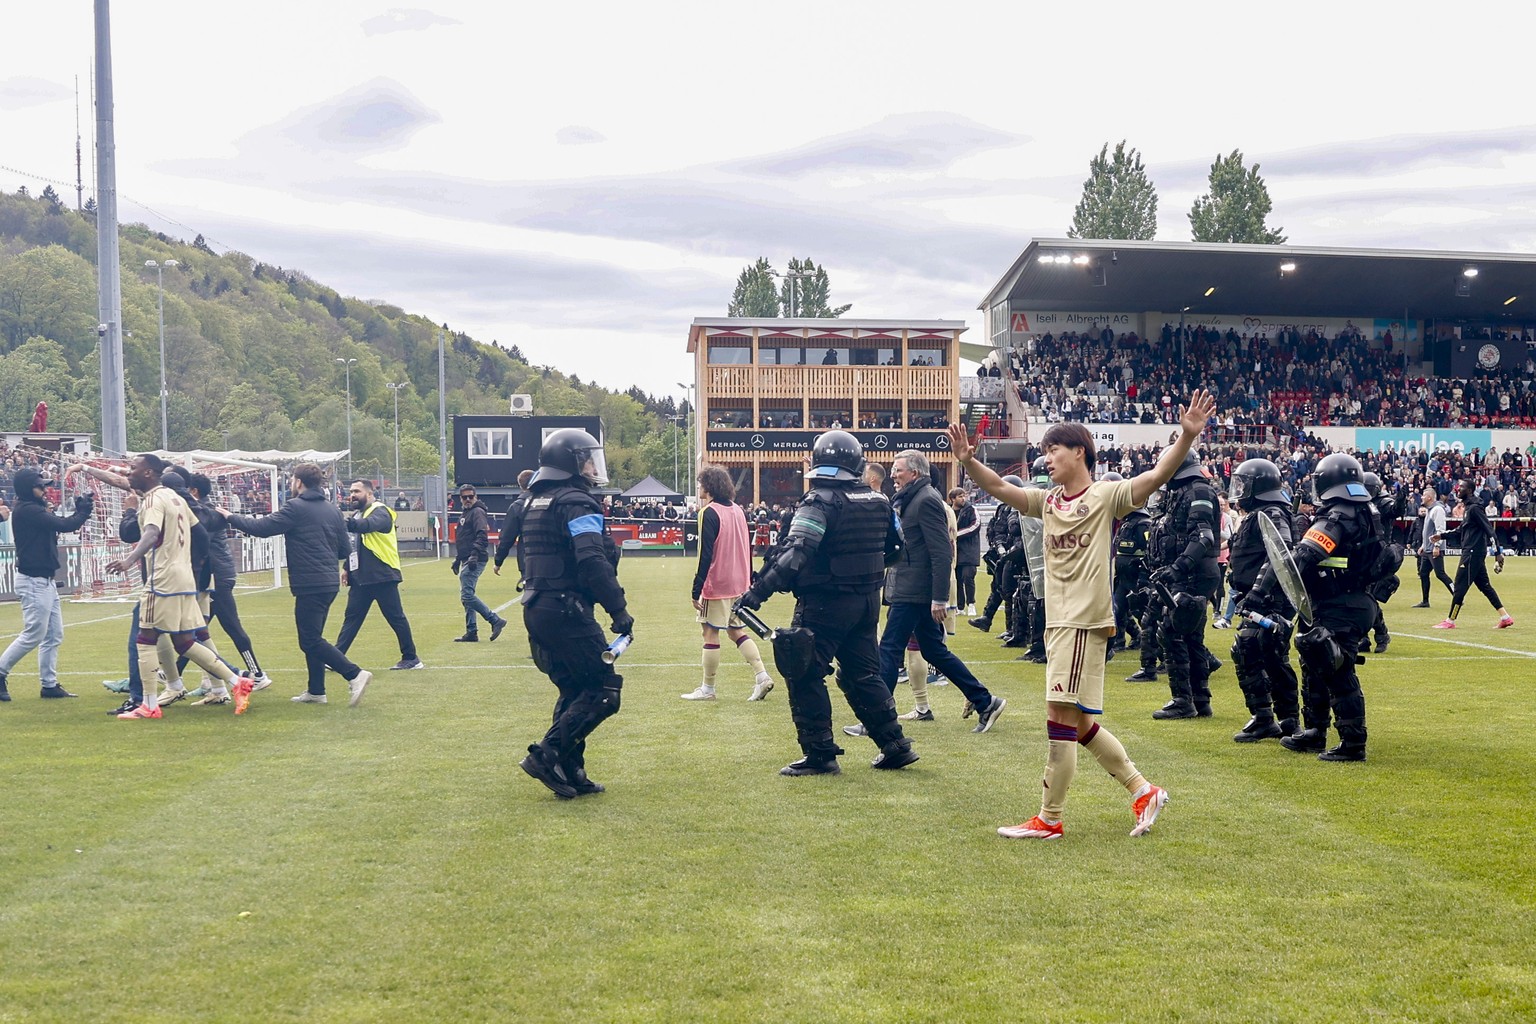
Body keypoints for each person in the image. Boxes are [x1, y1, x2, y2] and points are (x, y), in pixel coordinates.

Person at [947, 387, 1215, 840]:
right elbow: (998, 487)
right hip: (1059, 624)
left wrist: (1186, 437)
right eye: (1045, 451)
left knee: (1057, 717)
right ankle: (1143, 790)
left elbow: (1154, 477)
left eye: (1053, 450)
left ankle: (1050, 819)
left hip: (1083, 623)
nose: (1046, 458)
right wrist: (969, 461)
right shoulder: (1048, 502)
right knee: (1080, 723)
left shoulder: (1107, 495)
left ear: (1079, 452)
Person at [735, 430, 917, 777]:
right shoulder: (879, 500)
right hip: (865, 601)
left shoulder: (819, 500)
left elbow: (795, 553)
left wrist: (757, 594)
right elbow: (897, 548)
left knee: (804, 672)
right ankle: (895, 744)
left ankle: (820, 754)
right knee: (863, 674)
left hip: (825, 602)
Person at [1245, 453, 1395, 761]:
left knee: (1338, 671)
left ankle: (1353, 743)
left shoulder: (1338, 515)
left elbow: (1301, 556)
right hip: (1345, 600)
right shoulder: (1366, 508)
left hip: (1340, 602)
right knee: (1315, 663)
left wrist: (1260, 593)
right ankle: (1315, 732)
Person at [517, 429, 632, 799]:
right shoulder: (575, 502)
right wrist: (618, 609)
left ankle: (571, 769)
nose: (591, 466)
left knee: (573, 689)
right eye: (586, 458)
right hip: (566, 608)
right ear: (570, 462)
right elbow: (591, 560)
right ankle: (546, 755)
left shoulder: (535, 501)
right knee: (602, 690)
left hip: (538, 607)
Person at [105, 456, 255, 718]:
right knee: (185, 642)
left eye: (134, 469)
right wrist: (194, 564)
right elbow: (200, 534)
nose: (129, 473)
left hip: (162, 580)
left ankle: (149, 705)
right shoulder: (176, 499)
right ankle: (236, 681)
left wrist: (130, 560)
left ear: (149, 473)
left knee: (145, 638)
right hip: (185, 579)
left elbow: (151, 533)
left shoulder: (153, 499)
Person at [868, 449, 1004, 731]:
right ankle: (985, 701)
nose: (893, 474)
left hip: (916, 591)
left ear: (915, 473)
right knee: (933, 651)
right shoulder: (912, 498)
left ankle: (876, 719)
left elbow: (942, 553)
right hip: (912, 587)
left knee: (890, 648)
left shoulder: (926, 500)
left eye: (898, 469)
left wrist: (940, 598)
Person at [221, 462, 373, 707]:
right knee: (313, 636)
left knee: (310, 640)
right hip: (328, 582)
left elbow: (262, 528)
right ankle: (316, 691)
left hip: (309, 583)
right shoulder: (332, 510)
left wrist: (230, 516)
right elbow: (345, 549)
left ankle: (354, 674)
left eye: (292, 480)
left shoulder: (295, 507)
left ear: (298, 482)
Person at [682, 465, 775, 702]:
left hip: (718, 582)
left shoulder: (708, 512)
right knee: (736, 631)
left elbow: (706, 553)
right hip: (739, 582)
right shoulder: (738, 510)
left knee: (710, 631)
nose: (699, 487)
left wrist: (697, 588)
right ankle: (762, 676)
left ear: (709, 486)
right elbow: (746, 547)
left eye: (701, 483)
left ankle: (708, 688)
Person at [0, 466, 93, 701]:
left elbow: (60, 524)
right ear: (27, 489)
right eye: (40, 486)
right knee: (34, 633)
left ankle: (49, 684)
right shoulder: (28, 510)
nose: (44, 490)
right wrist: (82, 513)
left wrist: (79, 512)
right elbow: (65, 525)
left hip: (44, 580)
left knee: (53, 635)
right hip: (34, 580)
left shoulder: (32, 508)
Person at [1225, 458, 1301, 743]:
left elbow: (1280, 554)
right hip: (1256, 597)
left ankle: (1285, 719)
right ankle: (1267, 717)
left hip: (1271, 599)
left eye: (1244, 483)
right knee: (1251, 652)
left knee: (1267, 653)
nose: (1239, 489)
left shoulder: (1273, 513)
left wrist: (1258, 591)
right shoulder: (1259, 512)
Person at [1147, 453, 1221, 720]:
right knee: (1191, 637)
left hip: (1193, 574)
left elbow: (1203, 537)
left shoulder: (1197, 491)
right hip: (1191, 573)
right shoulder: (1182, 491)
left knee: (1173, 632)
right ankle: (1200, 700)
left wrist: (1178, 567)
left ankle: (1183, 700)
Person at [335, 479, 423, 671]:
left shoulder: (380, 511)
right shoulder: (360, 513)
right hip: (362, 578)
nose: (352, 495)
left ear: (370, 493)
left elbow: (368, 525)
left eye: (357, 491)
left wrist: (345, 522)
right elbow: (357, 546)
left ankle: (411, 657)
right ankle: (336, 658)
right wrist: (347, 567)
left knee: (395, 618)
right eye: (351, 491)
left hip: (382, 576)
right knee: (351, 619)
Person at [1431, 478, 1513, 629]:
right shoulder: (1469, 508)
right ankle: (1505, 617)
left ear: (1469, 490)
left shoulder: (1475, 508)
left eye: (1461, 487)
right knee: (1485, 586)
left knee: (1460, 587)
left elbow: (1489, 530)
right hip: (1474, 552)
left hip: (1472, 552)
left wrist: (1497, 552)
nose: (1458, 489)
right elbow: (1461, 529)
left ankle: (1450, 620)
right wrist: (1441, 536)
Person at [452, 485, 507, 642]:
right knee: (467, 593)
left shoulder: (477, 512)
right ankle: (471, 631)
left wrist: (474, 555)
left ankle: (495, 620)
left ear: (475, 497)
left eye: (470, 496)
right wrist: (458, 558)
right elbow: (465, 538)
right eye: (464, 497)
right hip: (467, 557)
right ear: (461, 499)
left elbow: (482, 535)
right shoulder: (467, 512)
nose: (468, 499)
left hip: (475, 558)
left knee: (467, 595)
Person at [493, 469, 536, 583]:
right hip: (553, 559)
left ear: (520, 485)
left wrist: (498, 561)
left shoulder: (517, 506)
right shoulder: (550, 500)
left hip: (528, 558)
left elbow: (507, 538)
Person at [1413, 486, 1453, 608]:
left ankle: (1457, 595)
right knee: (1423, 573)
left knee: (1440, 574)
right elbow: (1428, 531)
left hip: (1434, 549)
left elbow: (1440, 529)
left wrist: (1436, 546)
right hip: (1428, 549)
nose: (1422, 497)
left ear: (1430, 497)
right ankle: (1425, 601)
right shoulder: (1430, 509)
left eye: (1424, 495)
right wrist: (1423, 546)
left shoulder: (1437, 510)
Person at [949, 487, 980, 617]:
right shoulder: (949, 511)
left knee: (968, 577)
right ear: (953, 499)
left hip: (969, 550)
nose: (963, 499)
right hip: (955, 551)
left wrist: (956, 535)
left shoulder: (971, 510)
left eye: (964, 496)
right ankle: (960, 607)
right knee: (957, 579)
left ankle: (971, 604)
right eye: (960, 496)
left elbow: (975, 526)